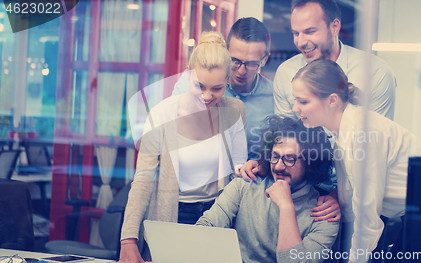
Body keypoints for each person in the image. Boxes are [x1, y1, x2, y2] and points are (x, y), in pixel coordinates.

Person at [291, 59, 421, 263]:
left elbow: (368, 217)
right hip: (416, 214)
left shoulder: (363, 133)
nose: (294, 108)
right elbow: (351, 196)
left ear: (332, 100)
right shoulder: (342, 130)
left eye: (303, 101)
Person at [118, 31, 248, 263]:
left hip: (216, 215)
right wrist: (128, 240)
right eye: (200, 85)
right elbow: (143, 180)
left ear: (228, 80)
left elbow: (239, 174)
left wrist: (251, 168)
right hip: (173, 215)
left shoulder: (235, 110)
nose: (207, 96)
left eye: (217, 88)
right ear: (188, 72)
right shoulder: (161, 114)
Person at [196, 115, 339, 263]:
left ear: (311, 164)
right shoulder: (245, 185)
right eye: (275, 156)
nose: (278, 166)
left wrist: (285, 206)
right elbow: (205, 228)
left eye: (290, 159)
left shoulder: (324, 215)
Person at [274, 0, 396, 120]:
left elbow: (377, 135)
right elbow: (285, 134)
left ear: (334, 27)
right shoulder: (285, 73)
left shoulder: (376, 73)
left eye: (310, 32)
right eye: (296, 33)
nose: (300, 42)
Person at [172, 17, 274, 160]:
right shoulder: (192, 82)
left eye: (251, 64)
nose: (241, 71)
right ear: (225, 51)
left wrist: (259, 165)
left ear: (265, 60)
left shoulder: (274, 98)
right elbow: (168, 134)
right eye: (235, 61)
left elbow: (274, 152)